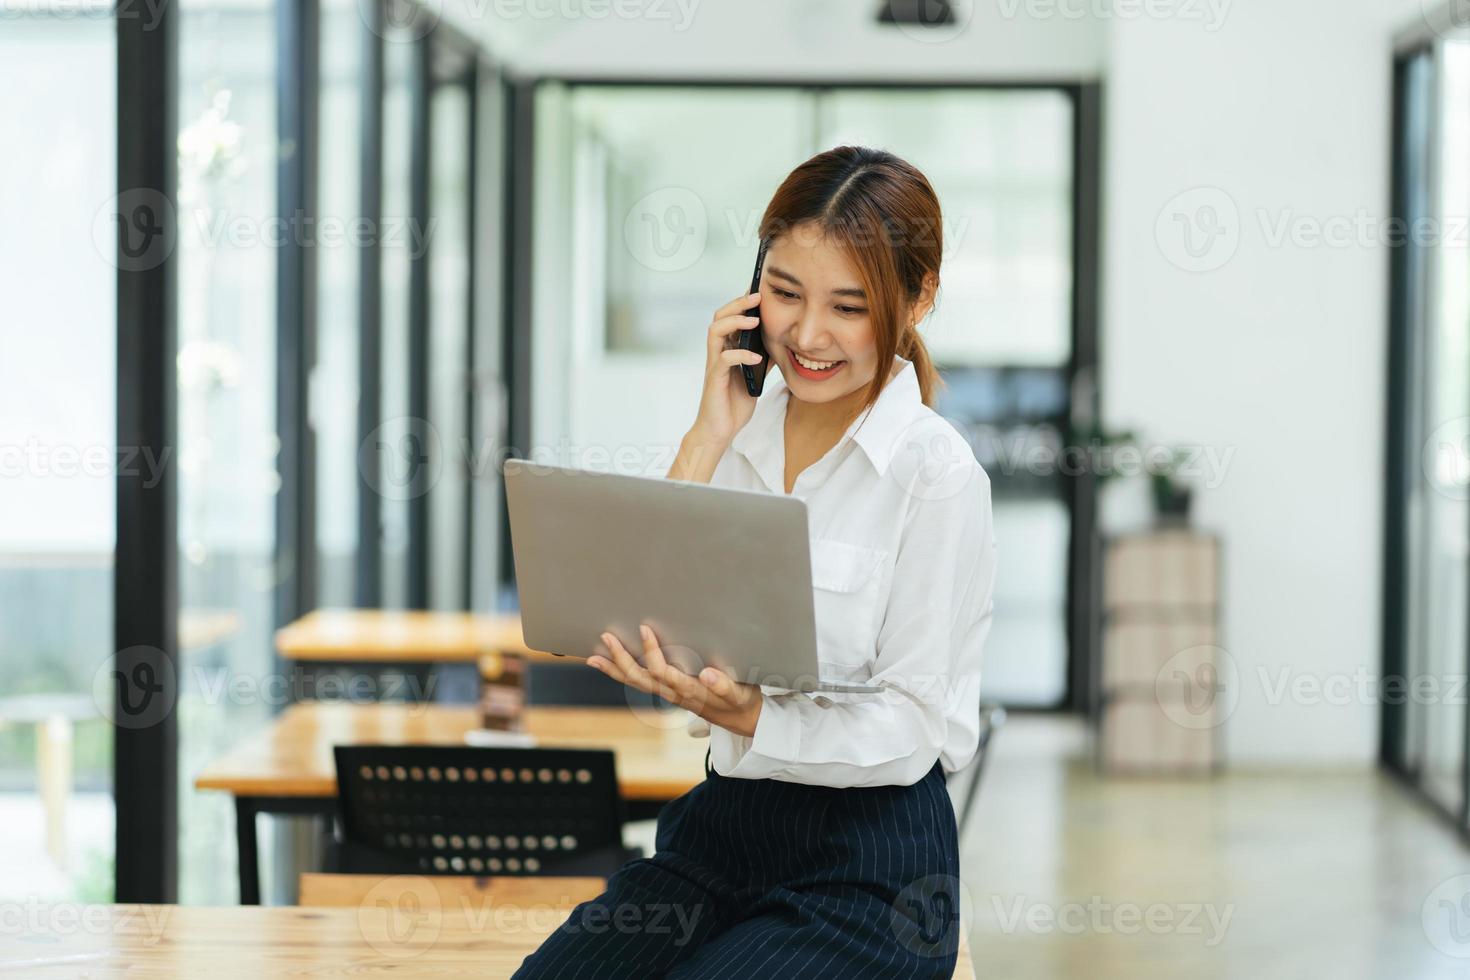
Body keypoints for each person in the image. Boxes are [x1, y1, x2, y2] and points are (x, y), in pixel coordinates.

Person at [512, 145, 998, 979]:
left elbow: (916, 727)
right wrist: (706, 437)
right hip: (718, 837)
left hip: (873, 869)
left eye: (849, 306)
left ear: (917, 300)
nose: (807, 335)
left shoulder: (936, 475)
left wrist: (752, 717)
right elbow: (637, 605)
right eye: (784, 293)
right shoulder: (741, 436)